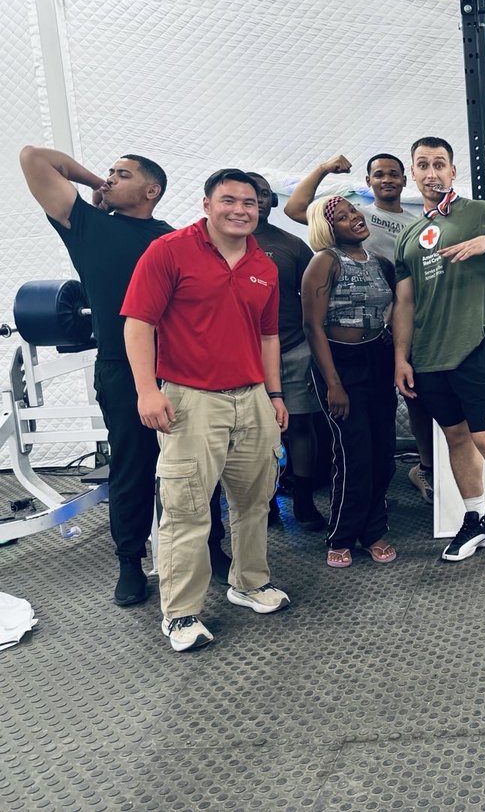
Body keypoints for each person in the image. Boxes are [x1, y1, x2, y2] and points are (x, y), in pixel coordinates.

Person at [19, 146, 226, 604]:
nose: (110, 179)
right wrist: (97, 183)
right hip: (121, 369)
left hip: (181, 370)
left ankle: (213, 550)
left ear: (152, 190)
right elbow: (33, 157)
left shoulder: (175, 239)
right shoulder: (88, 226)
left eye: (122, 174)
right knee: (132, 468)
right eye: (110, 172)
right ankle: (130, 562)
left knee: (196, 467)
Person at [123, 168, 291, 652]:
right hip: (189, 400)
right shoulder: (170, 251)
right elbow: (139, 324)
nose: (240, 210)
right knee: (187, 509)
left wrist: (274, 396)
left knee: (255, 500)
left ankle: (249, 583)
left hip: (252, 397)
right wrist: (147, 391)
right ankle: (180, 614)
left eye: (250, 203)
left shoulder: (264, 263)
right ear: (206, 204)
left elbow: (268, 336)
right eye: (229, 200)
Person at [393, 136, 485, 575]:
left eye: (439, 164)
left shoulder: (479, 212)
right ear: (413, 174)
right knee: (455, 440)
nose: (431, 172)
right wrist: (401, 358)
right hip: (427, 357)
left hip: (474, 347)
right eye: (422, 165)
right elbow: (404, 304)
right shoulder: (407, 235)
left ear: (453, 171)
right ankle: (477, 521)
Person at [284, 153, 435, 505]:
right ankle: (354, 508)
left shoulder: (417, 223)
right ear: (367, 182)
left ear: (405, 180)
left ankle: (423, 471)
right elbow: (296, 208)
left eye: (394, 174)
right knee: (354, 432)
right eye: (379, 174)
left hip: (396, 329)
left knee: (416, 400)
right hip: (348, 340)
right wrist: (323, 168)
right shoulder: (356, 215)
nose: (387, 180)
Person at [210, 172, 325, 533]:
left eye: (260, 194)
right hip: (234, 357)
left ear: (271, 201)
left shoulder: (291, 246)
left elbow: (315, 299)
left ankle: (304, 500)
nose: (253, 200)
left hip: (291, 350)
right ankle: (267, 503)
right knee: (248, 435)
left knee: (301, 426)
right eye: (242, 196)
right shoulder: (212, 245)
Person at [302, 195, 398, 567]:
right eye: (342, 217)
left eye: (353, 211)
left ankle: (373, 530)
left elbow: (393, 307)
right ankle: (341, 535)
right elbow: (313, 325)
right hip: (339, 364)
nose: (354, 218)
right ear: (329, 229)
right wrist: (333, 383)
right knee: (353, 453)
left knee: (382, 452)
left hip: (377, 359)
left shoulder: (379, 263)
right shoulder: (324, 262)